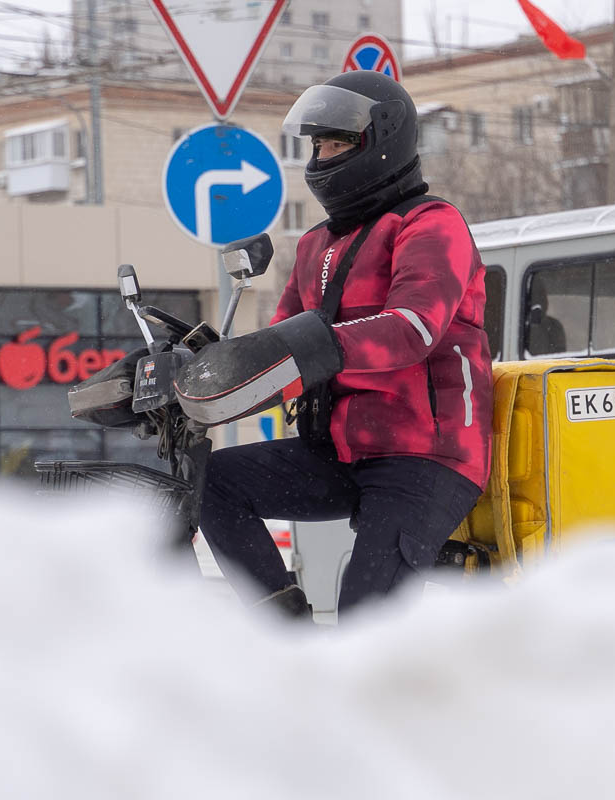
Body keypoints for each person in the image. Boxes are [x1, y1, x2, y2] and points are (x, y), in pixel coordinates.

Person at [189, 71, 493, 619]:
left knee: (365, 618)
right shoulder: (314, 245)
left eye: (339, 143)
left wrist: (315, 345)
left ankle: (373, 694)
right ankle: (283, 625)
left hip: (425, 456)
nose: (325, 156)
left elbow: (413, 328)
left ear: (382, 142)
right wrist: (197, 373)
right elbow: (276, 348)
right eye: (319, 144)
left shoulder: (429, 224)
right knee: (211, 479)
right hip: (342, 451)